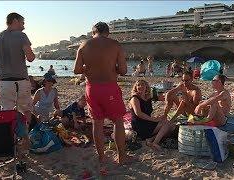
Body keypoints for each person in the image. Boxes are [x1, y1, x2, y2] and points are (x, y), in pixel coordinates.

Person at [73, 22, 132, 165]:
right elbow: (124, 71)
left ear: (93, 32)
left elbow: (76, 70)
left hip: (92, 88)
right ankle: (122, 157)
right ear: (108, 32)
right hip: (109, 87)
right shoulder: (115, 44)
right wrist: (113, 68)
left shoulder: (83, 45)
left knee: (97, 123)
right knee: (118, 121)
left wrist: (89, 68)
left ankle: (101, 157)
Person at [0, 12, 35, 154]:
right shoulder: (21, 36)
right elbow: (30, 58)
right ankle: (25, 141)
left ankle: (9, 142)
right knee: (26, 110)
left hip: (5, 84)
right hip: (21, 82)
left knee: (7, 113)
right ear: (14, 21)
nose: (24, 26)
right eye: (22, 22)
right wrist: (32, 53)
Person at [129, 80, 175, 151]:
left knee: (172, 126)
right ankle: (155, 142)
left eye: (143, 85)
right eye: (138, 85)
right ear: (135, 87)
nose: (140, 86)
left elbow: (163, 98)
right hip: (140, 125)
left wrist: (171, 95)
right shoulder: (135, 98)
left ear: (146, 87)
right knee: (166, 124)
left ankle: (150, 139)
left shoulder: (148, 98)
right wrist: (154, 119)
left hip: (147, 122)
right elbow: (139, 113)